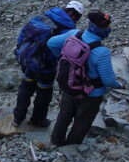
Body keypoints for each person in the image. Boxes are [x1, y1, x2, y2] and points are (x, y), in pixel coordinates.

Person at [48, 11, 122, 146]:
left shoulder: (73, 34)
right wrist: (119, 85)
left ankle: (56, 142)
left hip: (69, 85)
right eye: (106, 27)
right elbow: (108, 80)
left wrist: (62, 58)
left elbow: (51, 43)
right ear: (101, 29)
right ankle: (72, 146)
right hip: (92, 94)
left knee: (64, 115)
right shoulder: (101, 52)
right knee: (83, 121)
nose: (108, 29)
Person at [12, 0, 84, 127]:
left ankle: (17, 118)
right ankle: (37, 120)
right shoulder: (67, 29)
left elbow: (24, 32)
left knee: (25, 88)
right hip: (46, 66)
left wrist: (20, 51)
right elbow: (63, 52)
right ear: (74, 14)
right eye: (77, 17)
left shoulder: (45, 15)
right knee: (44, 94)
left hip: (28, 60)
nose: (76, 20)